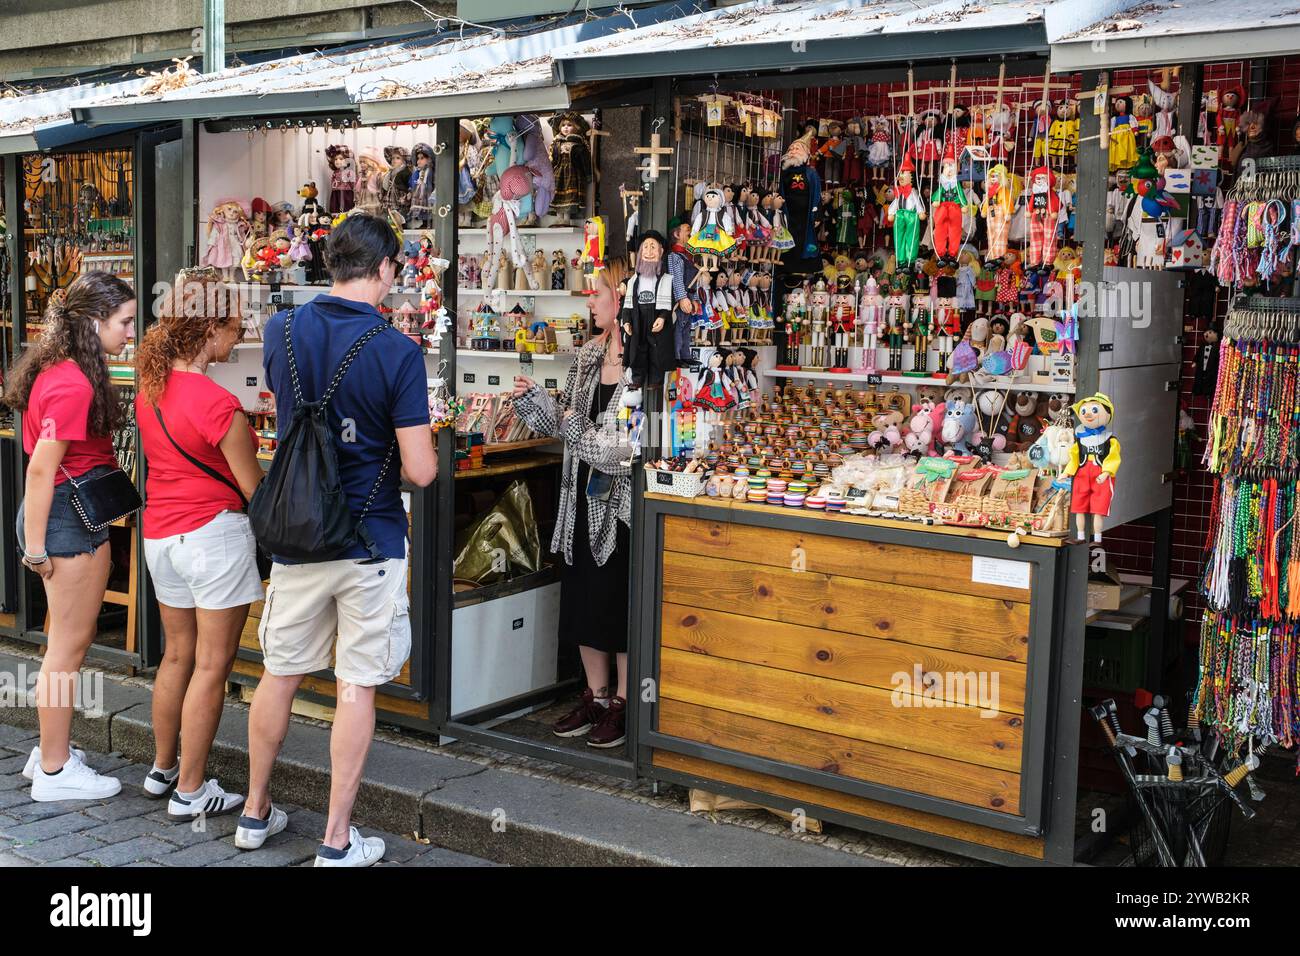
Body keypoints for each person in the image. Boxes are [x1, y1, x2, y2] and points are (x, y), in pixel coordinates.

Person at [238, 212, 437, 866]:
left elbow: (284, 407)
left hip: (297, 534)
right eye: (395, 270)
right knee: (355, 686)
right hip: (369, 541)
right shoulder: (397, 351)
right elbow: (420, 469)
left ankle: (254, 810)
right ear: (384, 269)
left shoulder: (281, 329)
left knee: (279, 674)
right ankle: (335, 838)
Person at [134, 268, 263, 818]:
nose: (239, 335)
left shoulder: (151, 387)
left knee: (177, 656)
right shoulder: (219, 405)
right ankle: (191, 791)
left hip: (161, 535)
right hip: (213, 536)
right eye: (234, 325)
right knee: (213, 664)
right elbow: (255, 490)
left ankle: (163, 770)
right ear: (210, 327)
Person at [3, 273, 136, 801]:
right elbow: (40, 469)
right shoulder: (74, 383)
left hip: (59, 515)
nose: (130, 331)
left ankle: (50, 752)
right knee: (67, 648)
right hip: (66, 519)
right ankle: (55, 768)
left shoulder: (61, 371)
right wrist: (35, 547)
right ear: (95, 321)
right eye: (124, 321)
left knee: (63, 646)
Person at [512, 259, 636, 749]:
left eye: (596, 293)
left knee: (617, 600)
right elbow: (563, 424)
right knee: (584, 596)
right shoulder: (587, 355)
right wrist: (533, 405)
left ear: (621, 299)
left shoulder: (647, 365)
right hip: (577, 495)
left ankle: (625, 702)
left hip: (622, 504)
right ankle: (597, 695)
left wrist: (562, 420)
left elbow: (621, 450)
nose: (588, 301)